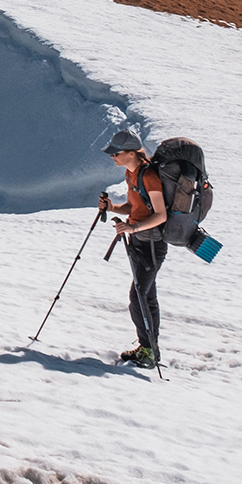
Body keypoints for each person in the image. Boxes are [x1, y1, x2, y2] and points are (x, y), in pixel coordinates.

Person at [103, 129, 167, 367]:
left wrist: (132, 229)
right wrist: (112, 207)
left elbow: (160, 215)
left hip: (152, 244)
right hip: (140, 241)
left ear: (131, 153)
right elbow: (134, 208)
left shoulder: (148, 176)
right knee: (146, 295)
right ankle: (148, 348)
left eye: (116, 153)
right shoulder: (132, 174)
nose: (112, 157)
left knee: (138, 296)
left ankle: (149, 351)